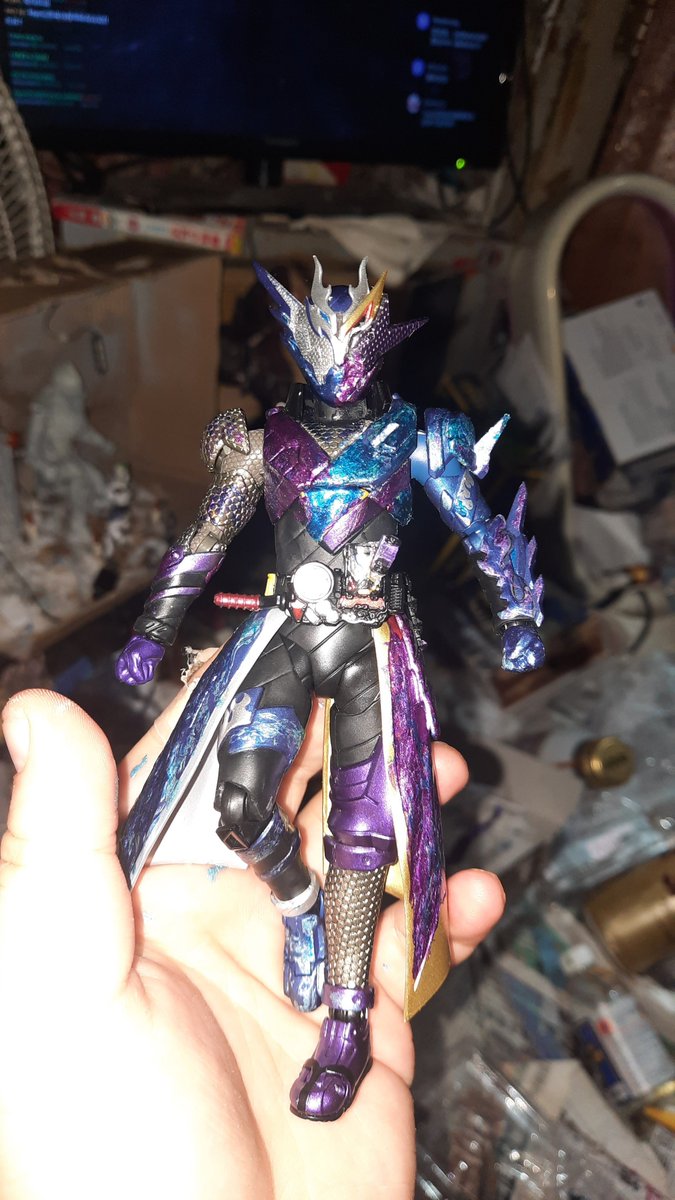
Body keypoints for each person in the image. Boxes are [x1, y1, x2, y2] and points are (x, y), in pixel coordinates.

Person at [0, 680, 504, 1200]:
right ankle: (301, 904)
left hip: (366, 687)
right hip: (292, 660)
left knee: (362, 838)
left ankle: (346, 1026)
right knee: (239, 806)